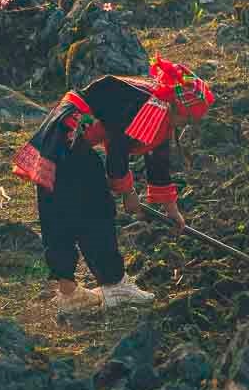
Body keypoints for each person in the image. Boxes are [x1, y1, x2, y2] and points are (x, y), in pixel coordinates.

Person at [12, 57, 213, 315]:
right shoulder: (150, 108)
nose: (185, 125)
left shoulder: (159, 104)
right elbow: (117, 152)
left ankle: (69, 291)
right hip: (70, 138)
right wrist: (129, 194)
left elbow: (157, 158)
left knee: (60, 210)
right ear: (175, 107)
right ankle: (112, 286)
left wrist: (171, 208)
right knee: (95, 211)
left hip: (64, 132)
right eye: (186, 119)